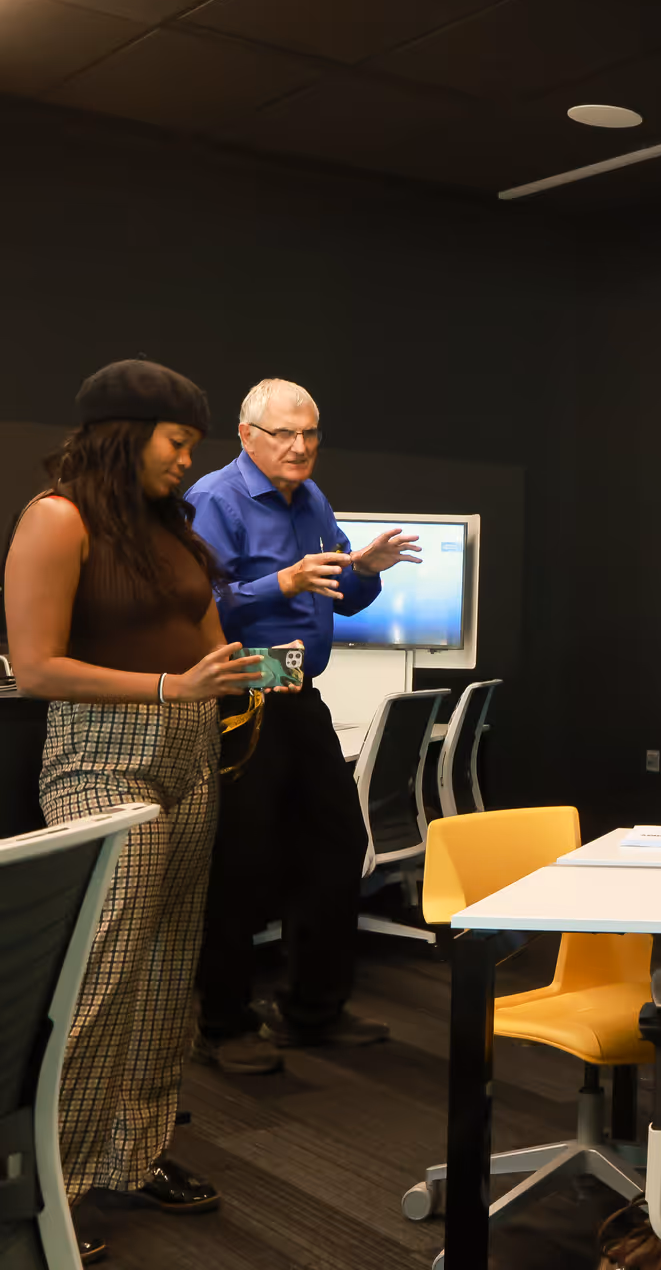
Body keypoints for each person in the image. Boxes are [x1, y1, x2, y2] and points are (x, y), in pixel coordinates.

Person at [3, 360, 266, 1258]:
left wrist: (233, 674)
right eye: (179, 442)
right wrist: (169, 684)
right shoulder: (57, 519)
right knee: (101, 978)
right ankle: (50, 1186)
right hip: (100, 762)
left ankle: (135, 1153)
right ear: (126, 431)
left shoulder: (167, 526)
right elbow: (35, 667)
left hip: (189, 755)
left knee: (164, 975)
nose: (189, 461)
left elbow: (204, 636)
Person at [185, 378, 420, 1074]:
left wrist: (367, 571)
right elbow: (196, 605)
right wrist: (280, 584)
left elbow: (340, 595)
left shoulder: (311, 499)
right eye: (284, 434)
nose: (300, 447)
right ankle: (222, 1024)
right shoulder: (214, 500)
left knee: (336, 845)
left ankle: (313, 1009)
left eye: (310, 433)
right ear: (247, 435)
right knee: (240, 861)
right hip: (237, 695)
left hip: (296, 692)